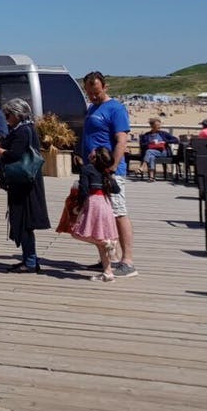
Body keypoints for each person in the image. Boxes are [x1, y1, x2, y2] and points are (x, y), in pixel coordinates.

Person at [79, 71, 135, 278]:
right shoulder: (93, 108)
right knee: (103, 215)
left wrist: (113, 166)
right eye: (89, 92)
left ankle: (127, 261)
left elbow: (121, 140)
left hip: (110, 171)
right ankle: (109, 259)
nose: (92, 96)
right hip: (93, 170)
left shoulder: (116, 108)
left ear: (105, 87)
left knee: (119, 213)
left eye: (95, 92)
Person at [0, 98, 50, 272]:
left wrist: (0, 151)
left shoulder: (22, 131)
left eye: (8, 115)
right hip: (28, 182)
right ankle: (30, 259)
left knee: (24, 222)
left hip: (24, 184)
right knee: (24, 223)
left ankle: (30, 261)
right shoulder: (28, 128)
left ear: (16, 115)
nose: (7, 118)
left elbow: (15, 154)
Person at [73, 147, 123, 282]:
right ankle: (108, 273)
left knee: (78, 233)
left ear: (95, 157)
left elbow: (83, 190)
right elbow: (116, 189)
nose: (91, 151)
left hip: (94, 203)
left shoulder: (87, 169)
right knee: (99, 241)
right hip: (106, 204)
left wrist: (78, 206)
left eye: (93, 151)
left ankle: (107, 243)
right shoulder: (105, 171)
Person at [138, 117, 177, 182]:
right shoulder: (147, 135)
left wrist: (165, 141)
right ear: (152, 126)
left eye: (159, 125)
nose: (159, 126)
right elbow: (142, 144)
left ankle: (142, 167)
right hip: (152, 152)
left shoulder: (163, 133)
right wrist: (151, 143)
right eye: (157, 125)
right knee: (151, 157)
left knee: (149, 152)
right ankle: (151, 177)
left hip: (163, 152)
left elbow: (176, 140)